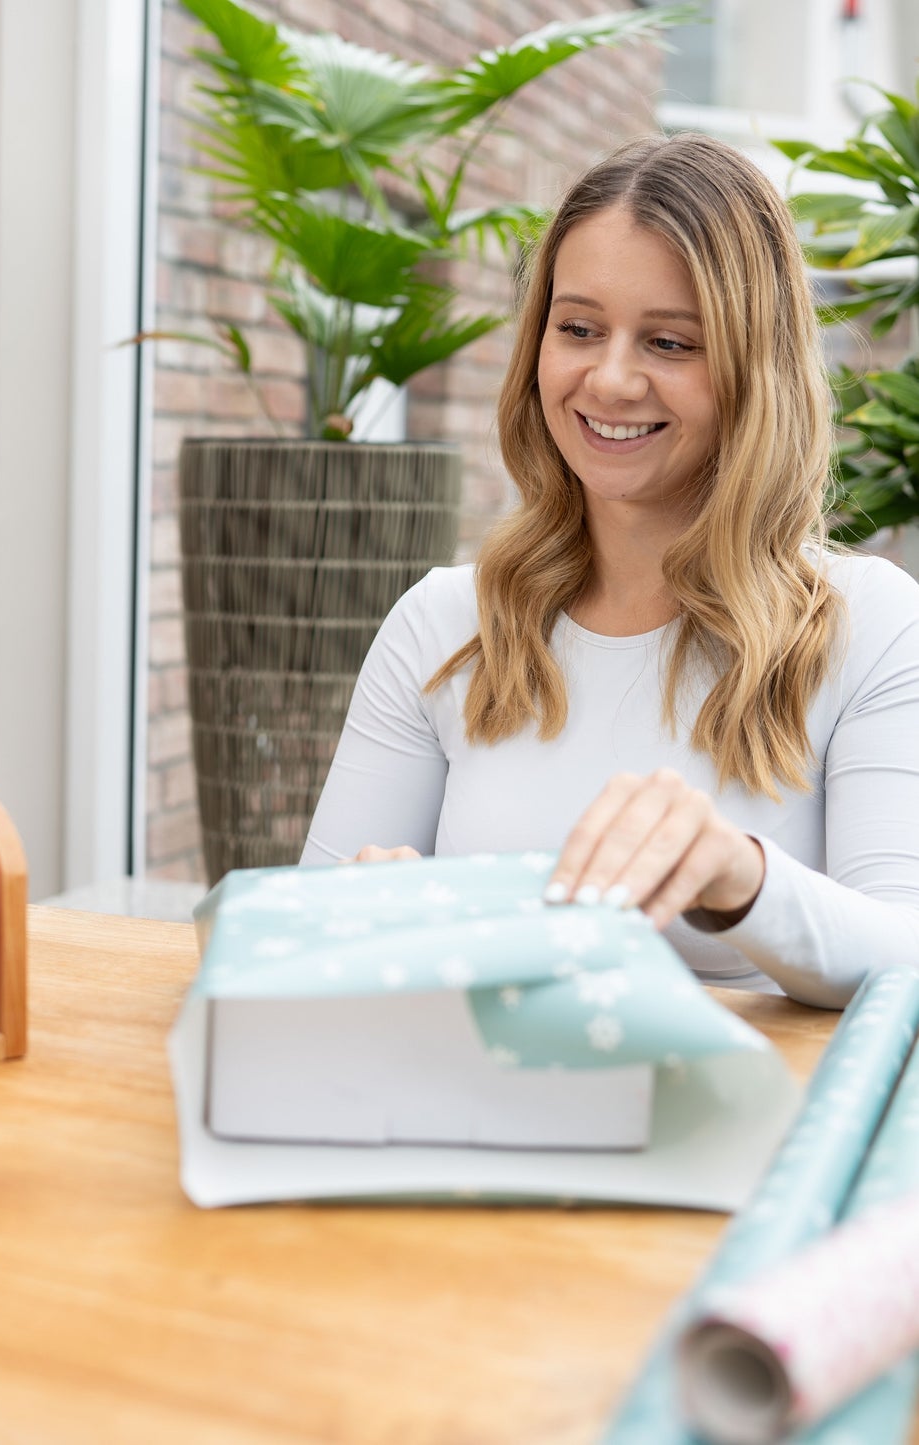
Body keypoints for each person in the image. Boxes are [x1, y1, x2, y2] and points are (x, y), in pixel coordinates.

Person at [299, 131, 919, 1009]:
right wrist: (365, 911)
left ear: (755, 368)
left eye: (669, 343)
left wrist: (736, 876)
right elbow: (296, 935)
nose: (611, 378)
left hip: (751, 1134)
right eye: (578, 329)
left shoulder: (869, 626)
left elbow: (907, 958)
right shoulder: (444, 623)